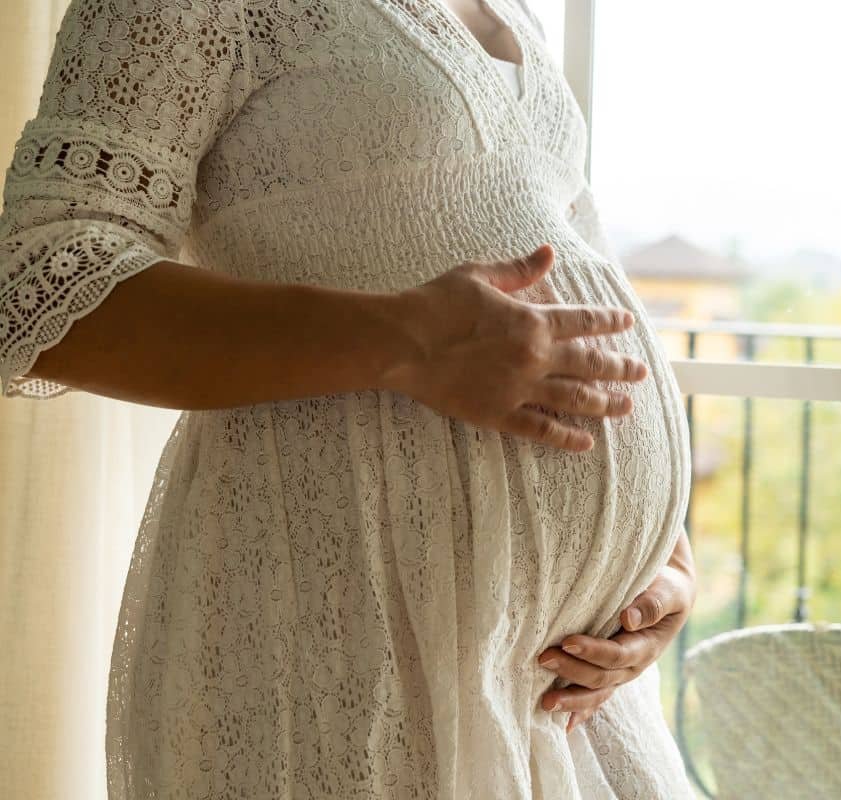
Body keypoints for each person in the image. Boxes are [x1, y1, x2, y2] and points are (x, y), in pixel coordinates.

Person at [0, 0, 698, 797]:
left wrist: (664, 563)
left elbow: (578, 260)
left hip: (571, 688)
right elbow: (35, 280)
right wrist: (406, 339)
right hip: (342, 634)